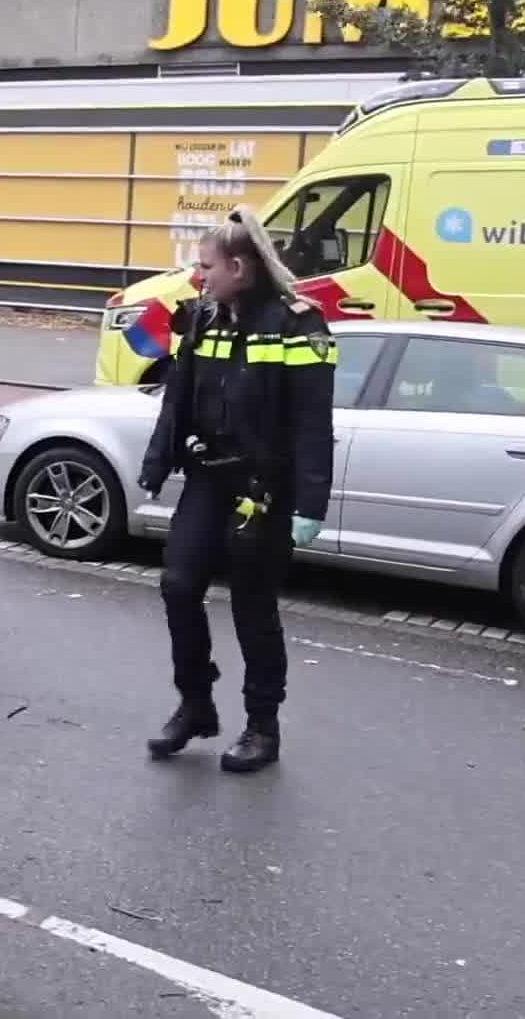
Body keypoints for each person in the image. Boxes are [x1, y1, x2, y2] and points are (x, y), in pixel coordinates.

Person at [137, 205, 337, 774]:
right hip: (209, 476)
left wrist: (310, 503)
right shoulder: (204, 317)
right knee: (178, 585)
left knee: (253, 607)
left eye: (208, 267)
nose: (200, 278)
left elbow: (311, 421)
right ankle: (196, 703)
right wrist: (156, 464)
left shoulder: (299, 323)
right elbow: (178, 397)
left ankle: (262, 726)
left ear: (241, 267)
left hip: (263, 486)